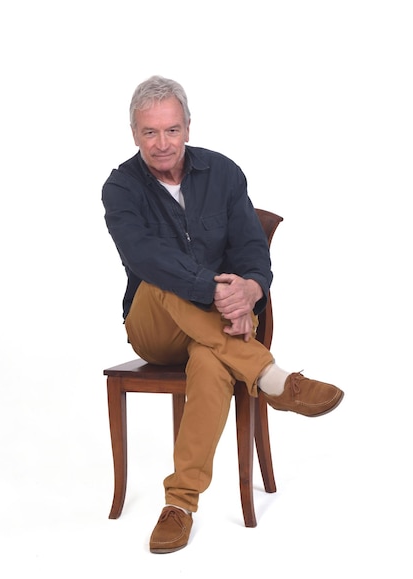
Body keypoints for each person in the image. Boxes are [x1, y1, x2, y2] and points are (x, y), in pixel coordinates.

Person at [102, 75, 344, 554]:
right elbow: (143, 255)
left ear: (188, 127)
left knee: (213, 362)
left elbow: (253, 251)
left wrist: (250, 289)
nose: (162, 142)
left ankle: (180, 505)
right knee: (161, 275)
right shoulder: (120, 187)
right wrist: (216, 292)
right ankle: (274, 380)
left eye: (171, 130)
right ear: (134, 133)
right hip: (153, 325)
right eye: (150, 132)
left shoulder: (224, 174)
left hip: (217, 331)